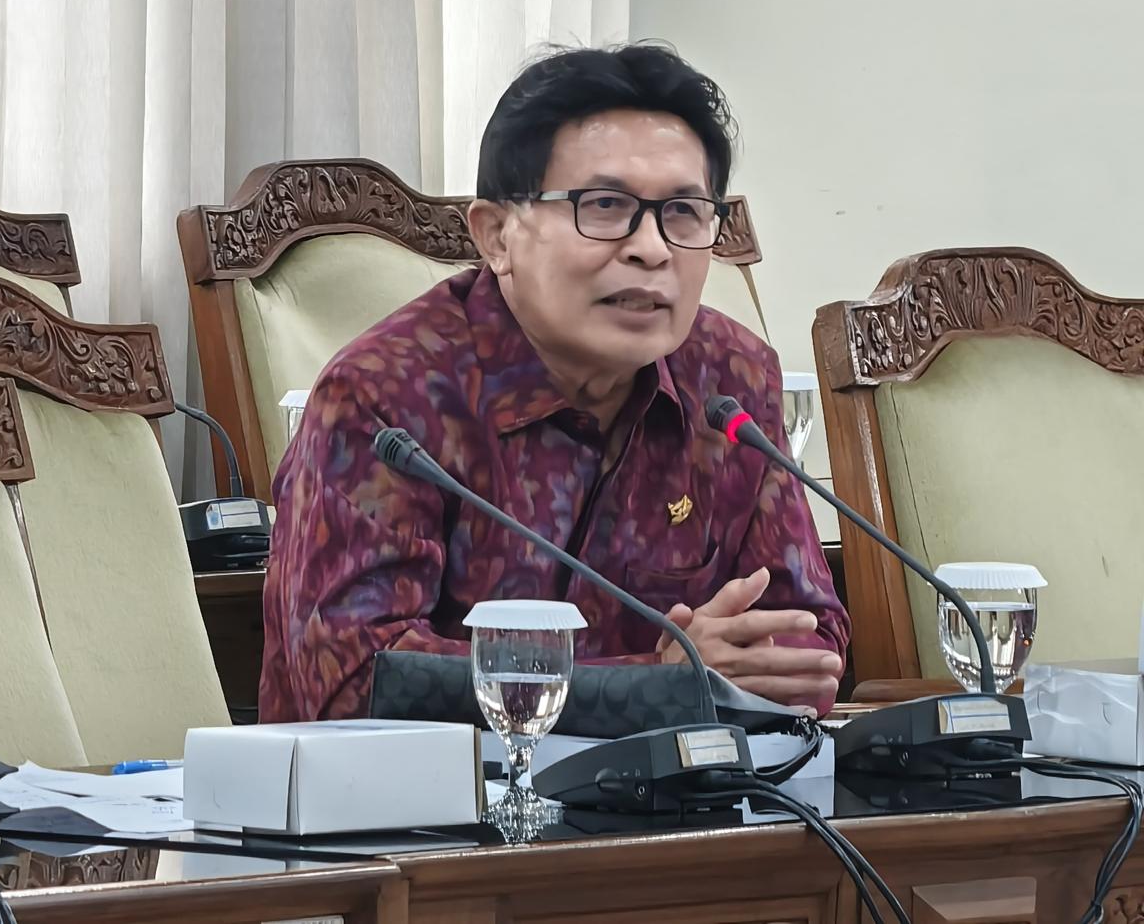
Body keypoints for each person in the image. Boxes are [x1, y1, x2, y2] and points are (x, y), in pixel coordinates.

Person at [259, 42, 849, 724]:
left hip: (679, 789)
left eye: (684, 212)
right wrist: (656, 686)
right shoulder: (386, 400)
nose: (651, 248)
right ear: (496, 236)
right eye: (605, 205)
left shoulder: (730, 380)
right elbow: (356, 680)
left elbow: (810, 634)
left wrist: (757, 662)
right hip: (427, 794)